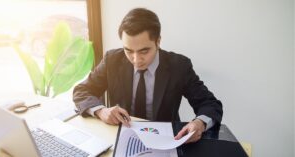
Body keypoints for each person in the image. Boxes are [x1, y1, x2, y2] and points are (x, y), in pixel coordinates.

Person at [73, 8, 223, 143]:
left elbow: (210, 104)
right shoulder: (112, 60)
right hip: (122, 137)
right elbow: (82, 91)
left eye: (144, 51)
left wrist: (199, 123)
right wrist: (101, 111)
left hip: (166, 140)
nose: (136, 60)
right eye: (129, 51)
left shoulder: (179, 66)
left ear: (158, 41)